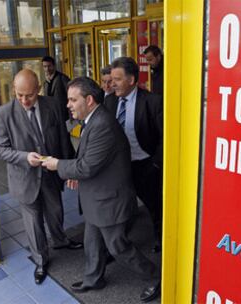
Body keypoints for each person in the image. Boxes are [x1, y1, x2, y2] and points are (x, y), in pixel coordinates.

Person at [42, 77, 159, 298]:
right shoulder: (93, 120)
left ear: (89, 100)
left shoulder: (103, 125)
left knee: (118, 247)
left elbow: (86, 167)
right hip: (97, 199)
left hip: (109, 201)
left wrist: (58, 165)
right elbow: (88, 157)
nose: (68, 105)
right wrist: (74, 170)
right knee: (92, 242)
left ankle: (155, 277)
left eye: (72, 100)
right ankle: (93, 279)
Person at [0, 69, 82, 285]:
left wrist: (68, 168)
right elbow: (0, 149)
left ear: (39, 89)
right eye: (19, 94)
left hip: (51, 174)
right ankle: (41, 260)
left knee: (56, 212)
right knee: (33, 224)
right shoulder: (3, 114)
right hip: (24, 178)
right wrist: (24, 157)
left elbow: (62, 138)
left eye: (29, 95)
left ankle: (60, 240)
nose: (24, 100)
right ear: (14, 89)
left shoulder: (52, 105)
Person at [106, 56, 163, 302]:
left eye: (117, 79)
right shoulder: (108, 102)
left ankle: (161, 244)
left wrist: (155, 164)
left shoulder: (152, 102)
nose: (112, 84)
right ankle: (117, 245)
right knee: (121, 207)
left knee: (155, 208)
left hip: (145, 166)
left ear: (131, 80)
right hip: (118, 169)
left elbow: (165, 136)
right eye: (112, 79)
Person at [42, 56, 71, 121]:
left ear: (54, 66)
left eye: (49, 66)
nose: (47, 69)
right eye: (45, 66)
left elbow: (71, 95)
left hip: (64, 115)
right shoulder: (45, 83)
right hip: (52, 116)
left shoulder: (63, 78)